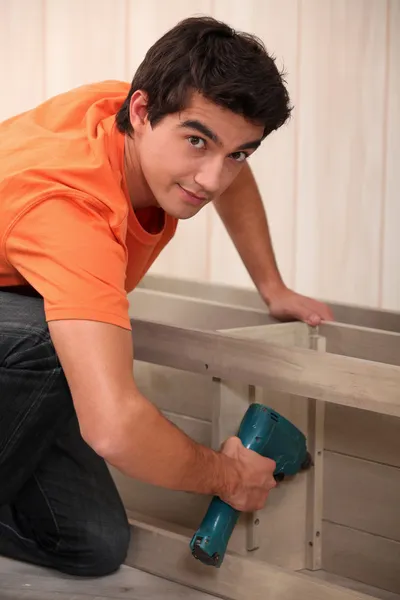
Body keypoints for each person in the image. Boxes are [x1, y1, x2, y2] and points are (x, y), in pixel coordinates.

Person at [0, 16, 333, 577]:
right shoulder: (70, 211)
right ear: (139, 112)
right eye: (197, 142)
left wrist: (271, 287)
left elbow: (225, 164)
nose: (210, 179)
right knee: (48, 338)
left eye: (237, 153)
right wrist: (229, 476)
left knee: (92, 544)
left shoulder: (148, 108)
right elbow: (112, 427)